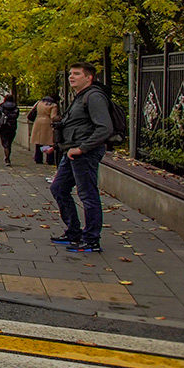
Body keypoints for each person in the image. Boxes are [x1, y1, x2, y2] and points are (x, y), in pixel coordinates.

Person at [51, 62, 115, 253]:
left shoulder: (94, 97)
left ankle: (92, 239)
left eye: (77, 74)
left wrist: (82, 148)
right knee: (59, 188)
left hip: (84, 153)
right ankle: (73, 231)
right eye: (71, 73)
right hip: (71, 152)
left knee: (87, 194)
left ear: (89, 77)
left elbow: (105, 127)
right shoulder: (79, 97)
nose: (71, 77)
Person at [28, 93, 60, 165]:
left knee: (38, 142)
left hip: (38, 121)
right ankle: (49, 159)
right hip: (47, 123)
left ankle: (38, 158)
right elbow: (53, 117)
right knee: (48, 142)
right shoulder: (53, 105)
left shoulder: (40, 102)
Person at [0, 92, 20, 165]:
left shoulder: (1, 106)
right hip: (12, 126)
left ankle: (7, 157)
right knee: (9, 142)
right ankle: (8, 156)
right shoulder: (15, 107)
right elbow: (16, 116)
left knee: (5, 142)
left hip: (3, 126)